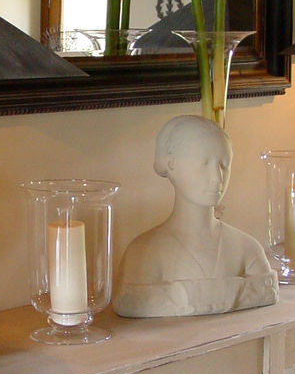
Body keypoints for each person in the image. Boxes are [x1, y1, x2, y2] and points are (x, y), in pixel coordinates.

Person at [113, 115, 278, 317]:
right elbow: (131, 302)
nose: (217, 177)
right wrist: (236, 290)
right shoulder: (143, 254)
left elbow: (267, 292)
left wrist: (181, 295)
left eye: (224, 164)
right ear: (171, 165)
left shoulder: (248, 249)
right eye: (203, 163)